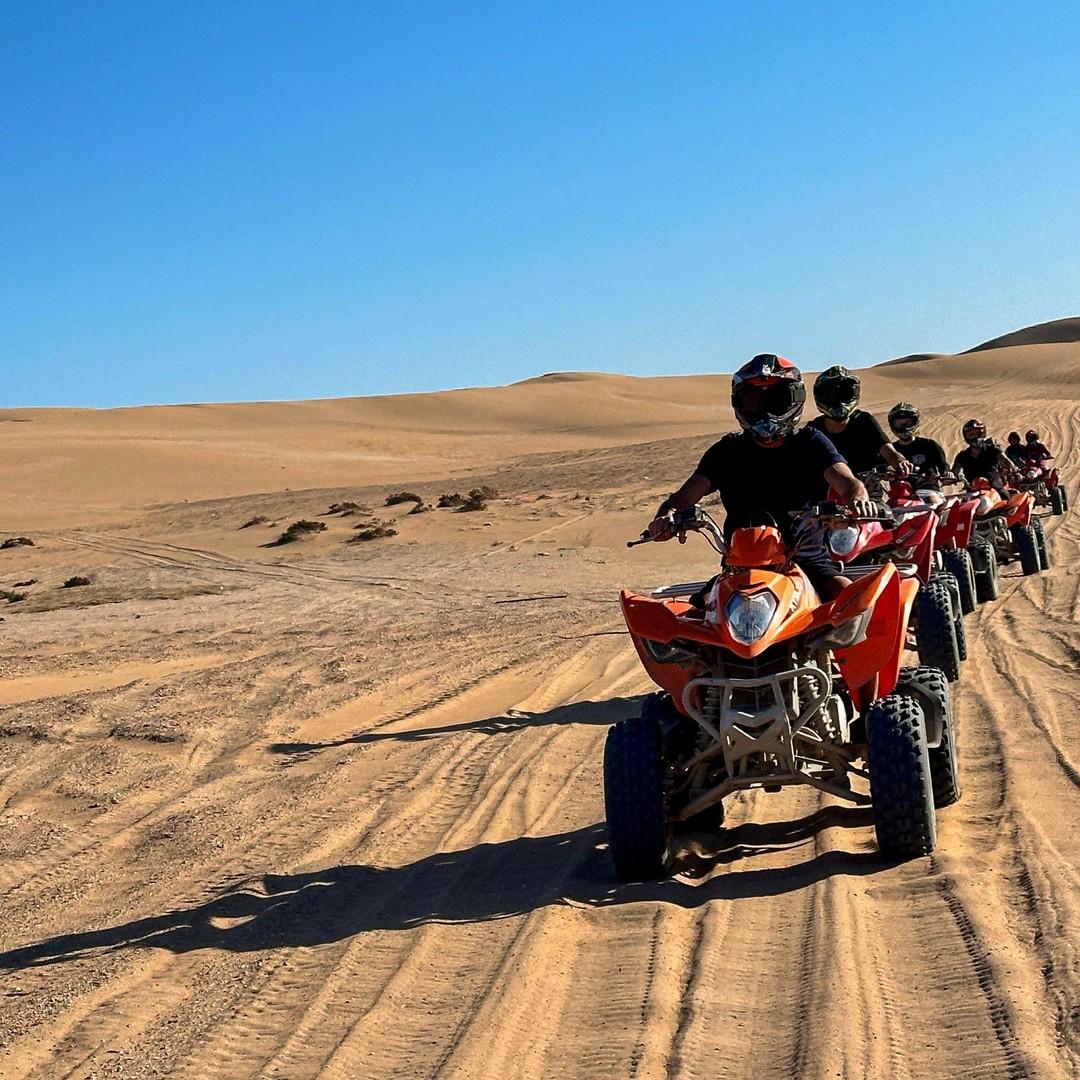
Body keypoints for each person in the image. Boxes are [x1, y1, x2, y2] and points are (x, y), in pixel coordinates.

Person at [647, 354, 873, 600]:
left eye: (777, 400)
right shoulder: (727, 451)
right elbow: (682, 498)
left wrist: (856, 502)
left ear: (794, 400)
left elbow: (848, 482)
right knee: (693, 616)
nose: (766, 411)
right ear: (739, 404)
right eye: (754, 401)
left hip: (806, 564)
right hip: (740, 569)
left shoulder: (810, 442)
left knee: (848, 598)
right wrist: (665, 517)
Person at [808, 366, 913, 482]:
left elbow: (887, 450)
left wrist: (899, 461)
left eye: (846, 394)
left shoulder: (864, 421)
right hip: (824, 494)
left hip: (867, 492)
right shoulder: (814, 430)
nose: (839, 400)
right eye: (831, 395)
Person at [952, 418, 1020, 491]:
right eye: (971, 435)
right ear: (966, 437)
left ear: (983, 434)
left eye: (978, 434)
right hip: (972, 491)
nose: (975, 437)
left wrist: (1012, 469)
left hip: (995, 489)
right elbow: (954, 471)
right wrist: (950, 477)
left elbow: (1004, 460)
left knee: (1006, 497)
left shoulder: (992, 449)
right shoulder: (962, 456)